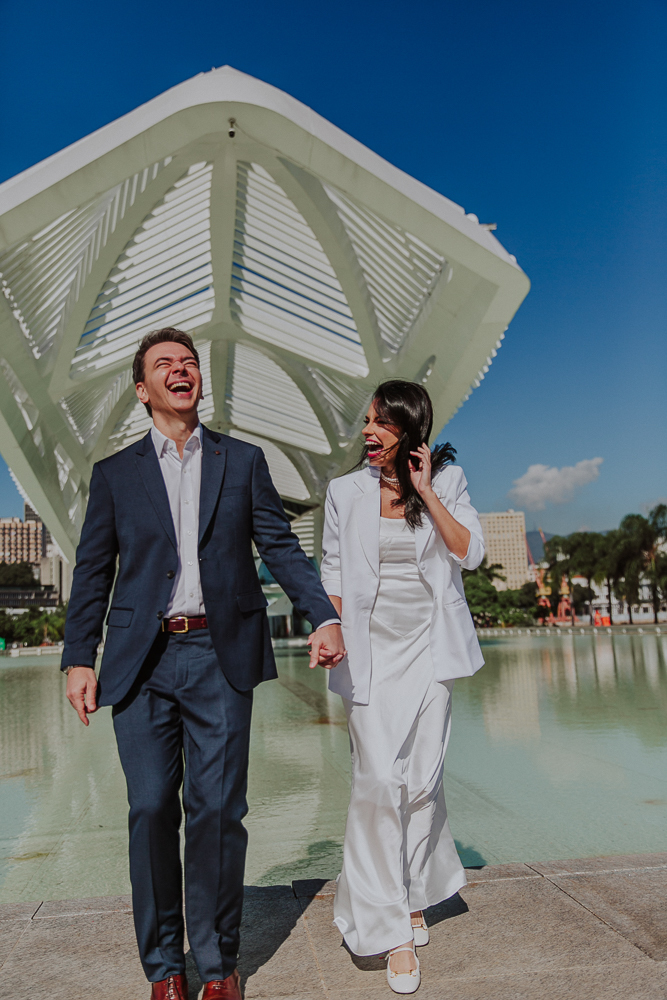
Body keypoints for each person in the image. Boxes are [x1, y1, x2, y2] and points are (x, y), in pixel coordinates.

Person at [62, 328, 345, 1000]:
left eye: (188, 362)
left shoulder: (242, 461)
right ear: (142, 390)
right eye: (165, 365)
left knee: (218, 809)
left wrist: (323, 613)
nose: (180, 370)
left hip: (220, 654)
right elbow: (93, 570)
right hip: (140, 659)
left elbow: (279, 547)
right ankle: (164, 967)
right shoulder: (115, 474)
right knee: (152, 807)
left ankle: (217, 966)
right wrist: (78, 657)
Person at [320, 379, 485, 995]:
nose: (369, 432)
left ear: (410, 428)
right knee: (374, 783)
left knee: (422, 783)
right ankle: (390, 930)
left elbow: (467, 551)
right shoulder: (344, 491)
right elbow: (333, 567)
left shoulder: (448, 480)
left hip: (431, 649)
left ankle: (415, 895)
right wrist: (327, 626)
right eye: (366, 421)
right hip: (368, 655)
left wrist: (424, 491)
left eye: (382, 423)